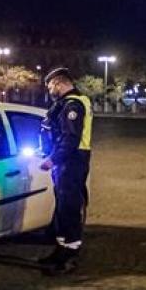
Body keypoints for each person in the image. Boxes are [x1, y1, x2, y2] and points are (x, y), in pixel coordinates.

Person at [37, 66, 93, 275]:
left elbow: (70, 138)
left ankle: (70, 255)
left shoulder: (73, 106)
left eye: (50, 86)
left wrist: (52, 160)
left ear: (59, 83)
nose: (49, 90)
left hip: (72, 161)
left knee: (69, 208)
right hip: (67, 161)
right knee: (62, 208)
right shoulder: (68, 103)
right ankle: (60, 250)